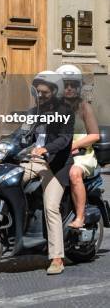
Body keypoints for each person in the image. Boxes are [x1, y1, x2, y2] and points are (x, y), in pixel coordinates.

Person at [19, 71, 74, 275]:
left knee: (51, 207)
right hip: (33, 161)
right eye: (37, 92)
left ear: (54, 91)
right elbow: (21, 133)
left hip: (56, 164)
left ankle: (57, 258)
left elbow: (64, 140)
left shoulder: (65, 111)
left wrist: (46, 149)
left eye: (44, 92)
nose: (40, 95)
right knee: (2, 181)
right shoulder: (33, 112)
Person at [56, 64, 100, 229]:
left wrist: (73, 144)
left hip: (81, 155)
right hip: (58, 153)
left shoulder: (84, 107)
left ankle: (80, 217)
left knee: (74, 173)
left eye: (73, 85)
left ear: (78, 87)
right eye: (65, 84)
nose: (69, 88)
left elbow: (94, 135)